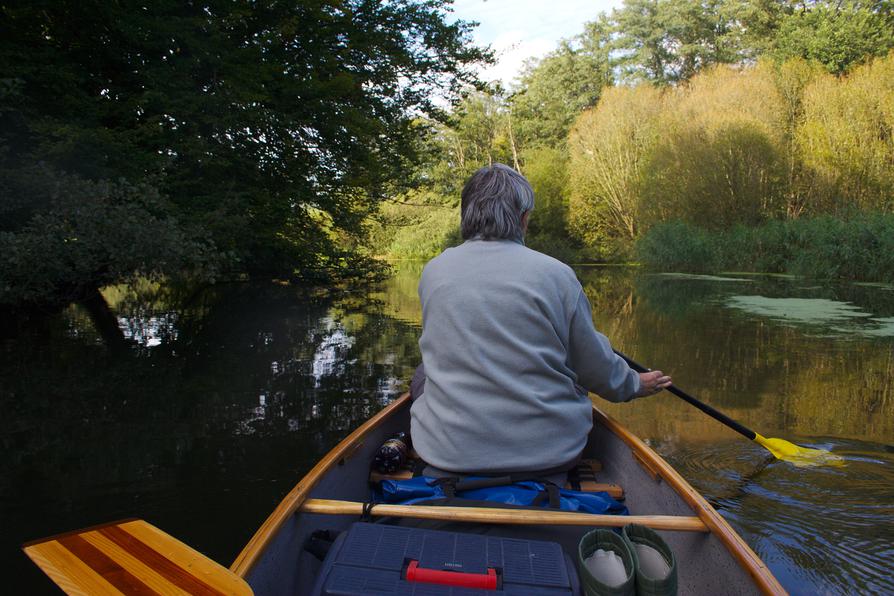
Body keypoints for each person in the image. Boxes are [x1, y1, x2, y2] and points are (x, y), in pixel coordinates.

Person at [409, 164, 671, 482]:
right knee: (573, 377)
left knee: (424, 371)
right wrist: (632, 384)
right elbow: (592, 367)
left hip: (445, 454)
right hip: (549, 456)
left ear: (467, 215)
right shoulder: (556, 275)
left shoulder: (435, 271)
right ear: (522, 218)